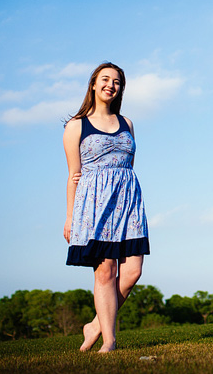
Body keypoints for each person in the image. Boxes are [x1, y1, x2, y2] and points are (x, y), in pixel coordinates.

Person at [62, 62, 150, 353]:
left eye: (117, 81)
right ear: (93, 84)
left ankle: (95, 324)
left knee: (132, 271)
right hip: (94, 204)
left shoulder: (127, 123)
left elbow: (128, 166)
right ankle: (109, 341)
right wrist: (70, 217)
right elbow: (74, 175)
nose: (111, 85)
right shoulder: (77, 126)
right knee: (105, 272)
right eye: (105, 79)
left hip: (128, 201)